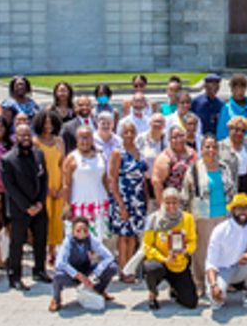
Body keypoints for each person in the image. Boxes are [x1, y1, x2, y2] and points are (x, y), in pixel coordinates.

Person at [182, 134, 236, 298]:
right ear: (202, 148)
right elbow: (186, 195)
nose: (211, 150)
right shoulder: (194, 169)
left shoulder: (224, 167)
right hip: (203, 215)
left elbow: (232, 190)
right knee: (201, 252)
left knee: (222, 250)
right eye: (207, 147)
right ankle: (199, 283)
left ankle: (223, 281)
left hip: (223, 215)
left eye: (214, 147)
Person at [1, 123, 49, 290]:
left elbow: (44, 180)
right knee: (17, 243)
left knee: (41, 240)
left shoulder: (39, 154)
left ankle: (40, 270)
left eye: (28, 135)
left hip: (39, 206)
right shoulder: (7, 159)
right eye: (22, 135)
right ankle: (15, 277)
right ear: (16, 137)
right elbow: (10, 187)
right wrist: (27, 206)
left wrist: (40, 202)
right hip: (20, 208)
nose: (26, 138)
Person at [205, 194, 247, 311]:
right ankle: (217, 292)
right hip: (222, 271)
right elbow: (210, 263)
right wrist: (214, 285)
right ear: (233, 211)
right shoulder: (220, 230)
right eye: (239, 209)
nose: (243, 212)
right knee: (216, 301)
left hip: (240, 267)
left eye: (246, 209)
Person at [142, 188, 199, 310]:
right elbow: (147, 246)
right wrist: (164, 259)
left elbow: (192, 241)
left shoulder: (187, 218)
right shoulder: (153, 219)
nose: (171, 206)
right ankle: (153, 294)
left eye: (174, 202)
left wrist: (186, 251)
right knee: (151, 268)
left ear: (179, 203)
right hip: (160, 263)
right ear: (162, 202)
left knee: (191, 303)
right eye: (167, 202)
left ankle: (174, 287)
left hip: (179, 263)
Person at [108, 119, 149, 281]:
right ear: (121, 134)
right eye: (126, 132)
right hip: (123, 197)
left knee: (132, 236)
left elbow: (143, 178)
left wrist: (145, 199)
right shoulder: (118, 153)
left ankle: (130, 269)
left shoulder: (139, 151)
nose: (129, 135)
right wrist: (120, 204)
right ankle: (123, 270)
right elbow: (112, 179)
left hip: (138, 199)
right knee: (123, 236)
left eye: (132, 131)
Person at [50, 216, 117, 312]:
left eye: (85, 230)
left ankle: (99, 290)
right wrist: (77, 275)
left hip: (87, 271)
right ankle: (56, 299)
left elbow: (109, 256)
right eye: (78, 231)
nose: (82, 233)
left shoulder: (91, 239)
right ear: (73, 231)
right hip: (72, 274)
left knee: (112, 267)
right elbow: (60, 263)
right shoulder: (68, 241)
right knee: (58, 276)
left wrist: (95, 273)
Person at [63, 125, 111, 241]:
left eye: (88, 137)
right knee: (79, 240)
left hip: (99, 203)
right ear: (77, 139)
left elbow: (105, 179)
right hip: (79, 205)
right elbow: (66, 184)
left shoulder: (101, 156)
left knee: (98, 240)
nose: (85, 141)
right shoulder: (72, 158)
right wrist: (66, 205)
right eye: (82, 137)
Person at [31, 109, 67, 264]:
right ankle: (44, 251)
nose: (48, 126)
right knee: (45, 219)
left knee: (57, 220)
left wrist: (63, 187)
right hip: (42, 185)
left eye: (51, 123)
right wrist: (46, 188)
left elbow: (63, 164)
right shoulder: (35, 142)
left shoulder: (59, 141)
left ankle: (54, 250)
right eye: (45, 123)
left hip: (58, 183)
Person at [219, 115, 247, 197]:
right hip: (228, 191)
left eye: (243, 131)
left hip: (246, 188)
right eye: (236, 130)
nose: (239, 133)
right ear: (230, 129)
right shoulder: (220, 147)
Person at [216, 73, 247, 140]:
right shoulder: (226, 108)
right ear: (231, 90)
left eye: (242, 88)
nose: (239, 92)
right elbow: (221, 133)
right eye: (236, 89)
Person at [190, 73, 224, 141]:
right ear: (205, 86)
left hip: (214, 139)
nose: (214, 87)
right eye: (211, 84)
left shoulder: (221, 104)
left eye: (216, 84)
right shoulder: (196, 102)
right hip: (198, 138)